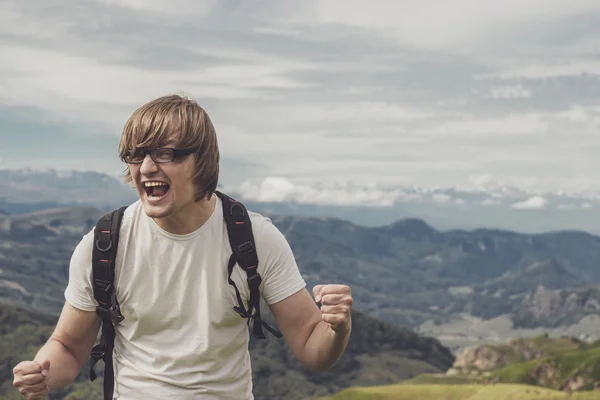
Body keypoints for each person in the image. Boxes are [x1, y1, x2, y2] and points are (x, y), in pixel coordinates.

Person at [12, 94, 353, 399]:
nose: (146, 168)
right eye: (136, 155)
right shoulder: (103, 245)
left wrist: (338, 328)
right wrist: (41, 372)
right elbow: (68, 348)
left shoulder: (253, 237)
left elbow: (312, 347)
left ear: (202, 161)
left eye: (164, 154)